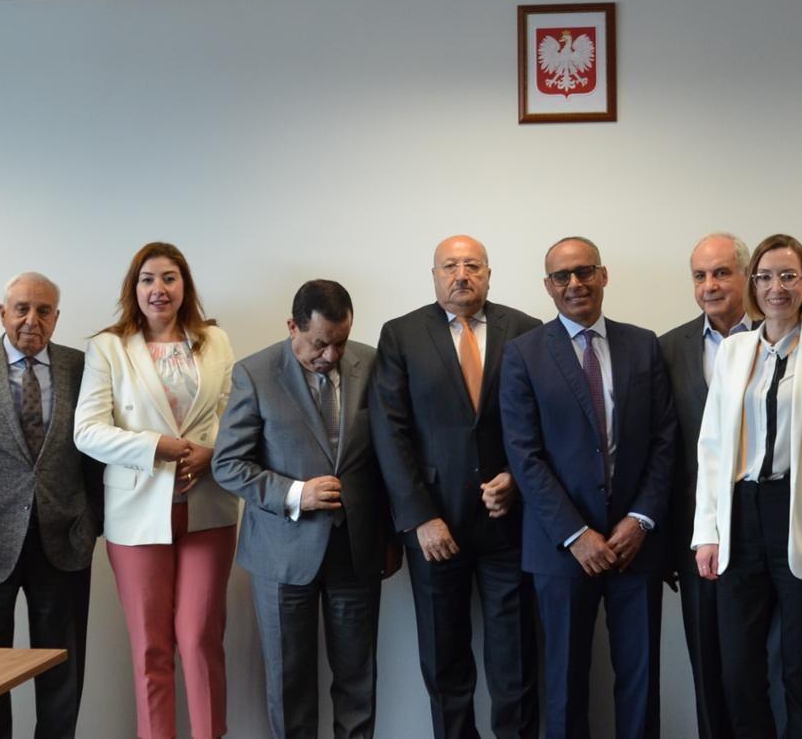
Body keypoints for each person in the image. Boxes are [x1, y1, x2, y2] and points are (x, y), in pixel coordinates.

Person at [500, 236, 677, 739]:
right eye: (562, 276)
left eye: (584, 271)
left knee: (641, 682)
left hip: (634, 544)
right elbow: (525, 455)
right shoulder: (523, 354)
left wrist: (641, 520)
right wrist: (576, 534)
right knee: (564, 683)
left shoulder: (643, 344)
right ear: (548, 286)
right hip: (561, 550)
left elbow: (666, 439)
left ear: (603, 275)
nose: (575, 283)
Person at [371, 235, 542, 739]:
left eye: (472, 265)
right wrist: (420, 517)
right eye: (450, 265)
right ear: (434, 275)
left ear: (488, 274)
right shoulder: (401, 334)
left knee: (516, 661)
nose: (461, 275)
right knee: (444, 663)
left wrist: (516, 477)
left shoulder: (526, 330)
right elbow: (389, 430)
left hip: (508, 524)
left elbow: (543, 420)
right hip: (434, 526)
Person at [214, 279, 400, 739]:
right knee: (289, 683)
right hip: (281, 553)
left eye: (341, 342)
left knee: (358, 681)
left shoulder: (372, 363)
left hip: (356, 550)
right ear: (292, 326)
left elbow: (389, 455)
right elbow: (228, 464)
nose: (331, 355)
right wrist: (296, 493)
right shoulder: (254, 373)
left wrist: (391, 535)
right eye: (319, 344)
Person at [692, 233, 802, 739]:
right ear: (753, 285)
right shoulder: (734, 350)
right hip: (739, 514)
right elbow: (711, 446)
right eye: (765, 277)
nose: (775, 287)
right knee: (739, 669)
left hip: (801, 515)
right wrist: (707, 532)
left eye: (788, 276)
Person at [72, 242, 237, 739]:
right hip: (137, 513)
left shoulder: (215, 340)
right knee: (151, 647)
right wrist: (153, 446)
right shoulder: (109, 347)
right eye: (147, 279)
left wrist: (212, 453)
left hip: (209, 508)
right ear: (134, 288)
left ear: (184, 285)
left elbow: (236, 416)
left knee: (200, 637)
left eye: (169, 278)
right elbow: (87, 431)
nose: (158, 289)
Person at [0, 272, 102, 739]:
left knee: (63, 670)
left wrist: (92, 523)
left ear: (56, 317)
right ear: (2, 313)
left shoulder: (81, 368)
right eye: (22, 309)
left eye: (43, 311)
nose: (32, 320)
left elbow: (98, 456)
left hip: (64, 543)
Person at [657, 232, 751, 739]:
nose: (710, 285)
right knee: (708, 667)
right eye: (700, 276)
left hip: (770, 533)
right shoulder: (668, 348)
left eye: (721, 273)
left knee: (771, 665)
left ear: (746, 275)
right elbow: (662, 451)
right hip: (696, 538)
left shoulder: (782, 337)